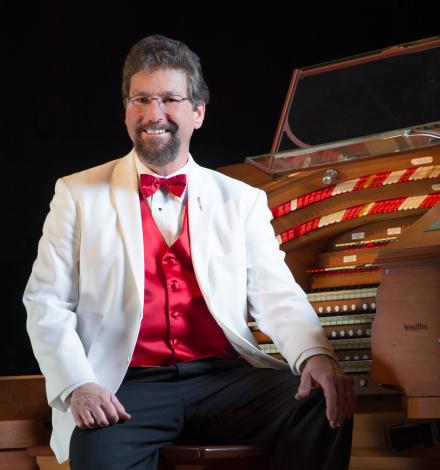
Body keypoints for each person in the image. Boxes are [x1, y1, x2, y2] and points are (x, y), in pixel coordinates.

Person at [24, 34, 354, 470]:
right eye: (141, 99)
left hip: (223, 380)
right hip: (126, 385)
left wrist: (315, 356)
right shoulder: (76, 193)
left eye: (169, 99)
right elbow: (46, 302)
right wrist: (79, 385)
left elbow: (278, 295)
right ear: (126, 111)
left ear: (198, 111)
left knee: (320, 402)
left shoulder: (242, 199)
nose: (153, 114)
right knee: (97, 451)